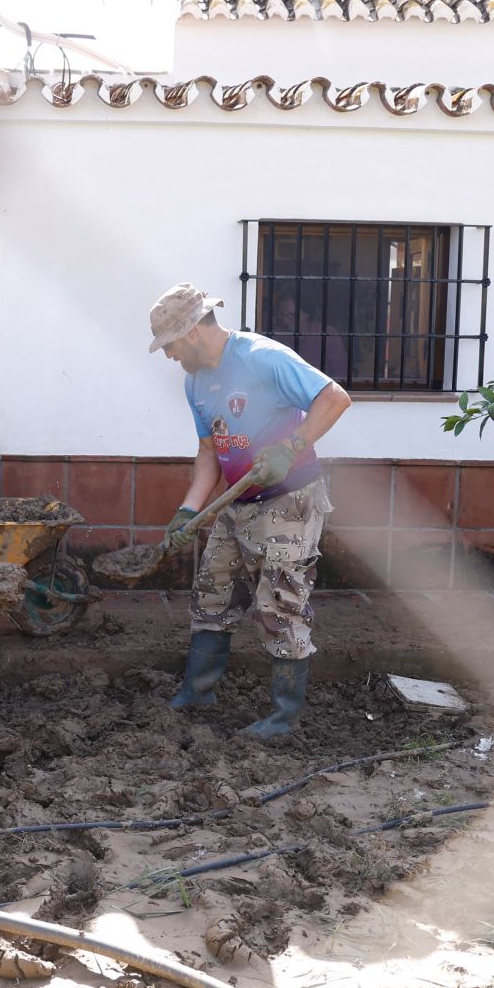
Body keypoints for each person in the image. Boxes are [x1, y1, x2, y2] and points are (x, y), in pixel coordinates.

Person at [149, 283, 351, 738]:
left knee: (278, 608)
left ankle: (281, 720)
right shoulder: (195, 380)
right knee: (211, 595)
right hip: (237, 502)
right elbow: (208, 450)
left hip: (289, 502)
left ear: (193, 332)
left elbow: (334, 397)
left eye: (171, 345)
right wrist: (188, 511)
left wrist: (292, 446)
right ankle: (198, 693)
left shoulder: (263, 357)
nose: (169, 356)